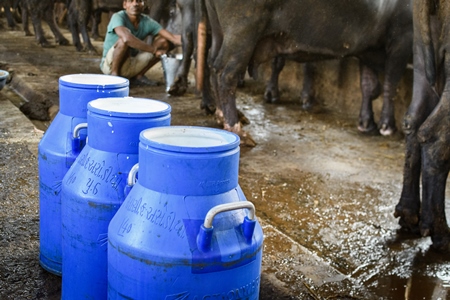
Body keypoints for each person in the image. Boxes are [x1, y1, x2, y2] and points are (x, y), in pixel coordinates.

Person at [100, 0, 182, 86]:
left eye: (139, 1)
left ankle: (138, 76)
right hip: (109, 66)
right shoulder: (118, 17)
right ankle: (115, 77)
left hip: (132, 64)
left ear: (143, 5)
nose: (135, 4)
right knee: (123, 41)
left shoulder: (147, 21)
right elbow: (126, 39)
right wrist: (153, 50)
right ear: (125, 5)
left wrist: (193, 42)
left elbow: (173, 38)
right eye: (131, 1)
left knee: (164, 43)